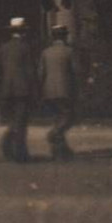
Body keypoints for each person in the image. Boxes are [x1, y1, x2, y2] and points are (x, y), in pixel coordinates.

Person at [0, 16, 36, 162]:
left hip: (6, 90)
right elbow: (30, 71)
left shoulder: (3, 48)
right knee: (21, 122)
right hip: (22, 90)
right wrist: (35, 90)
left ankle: (9, 146)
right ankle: (20, 153)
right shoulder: (26, 47)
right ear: (23, 32)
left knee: (13, 120)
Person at [38, 23, 79, 160]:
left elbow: (41, 73)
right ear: (64, 36)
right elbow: (76, 71)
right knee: (68, 117)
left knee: (57, 118)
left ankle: (60, 151)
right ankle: (54, 134)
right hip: (65, 89)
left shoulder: (45, 52)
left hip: (49, 91)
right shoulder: (69, 51)